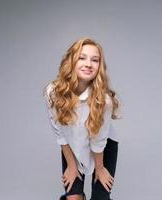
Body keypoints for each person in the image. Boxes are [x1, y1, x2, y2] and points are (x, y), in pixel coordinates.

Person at [43, 37, 121, 200]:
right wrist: (71, 165)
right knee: (73, 197)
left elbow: (98, 140)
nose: (88, 64)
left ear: (99, 67)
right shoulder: (54, 92)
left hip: (102, 147)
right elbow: (60, 132)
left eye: (95, 60)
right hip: (72, 145)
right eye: (82, 57)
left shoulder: (103, 100)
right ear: (72, 60)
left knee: (100, 198)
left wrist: (99, 168)